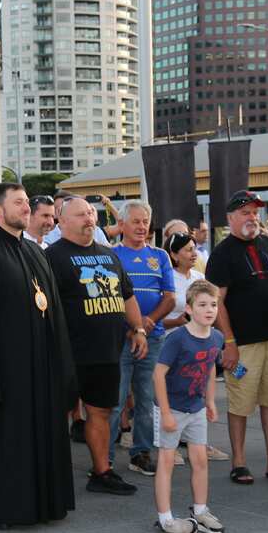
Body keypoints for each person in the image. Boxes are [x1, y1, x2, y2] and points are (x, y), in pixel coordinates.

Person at [0, 183, 75, 528]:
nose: (25, 208)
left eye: (26, 203)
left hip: (40, 366)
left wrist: (60, 364)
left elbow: (54, 311)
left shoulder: (36, 253)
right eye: (18, 203)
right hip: (3, 370)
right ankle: (2, 508)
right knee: (6, 440)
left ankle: (43, 504)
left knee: (39, 437)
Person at [45, 196, 142, 496]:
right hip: (68, 353)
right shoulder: (52, 257)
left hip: (105, 351)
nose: (89, 218)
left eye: (90, 212)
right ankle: (49, 473)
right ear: (62, 221)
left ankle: (102, 472)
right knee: (56, 413)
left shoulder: (109, 255)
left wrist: (137, 328)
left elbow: (126, 295)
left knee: (100, 411)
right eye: (80, 214)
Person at [205, 191, 268, 487]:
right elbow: (216, 302)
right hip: (242, 344)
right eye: (245, 213)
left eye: (255, 212)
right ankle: (239, 462)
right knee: (241, 404)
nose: (252, 218)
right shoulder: (222, 253)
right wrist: (228, 342)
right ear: (230, 218)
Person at [152, 279, 226, 533]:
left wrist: (209, 401)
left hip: (195, 409)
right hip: (171, 407)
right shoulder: (177, 339)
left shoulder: (217, 336)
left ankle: (200, 509)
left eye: (213, 305)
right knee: (167, 460)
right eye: (203, 305)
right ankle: (165, 517)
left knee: (200, 460)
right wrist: (165, 413)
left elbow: (211, 367)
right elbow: (159, 374)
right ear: (189, 310)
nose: (209, 310)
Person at [108, 201, 176, 476]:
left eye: (145, 221)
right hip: (121, 338)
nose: (141, 226)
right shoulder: (110, 255)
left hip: (154, 337)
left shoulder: (159, 256)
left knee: (148, 399)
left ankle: (141, 453)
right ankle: (106, 458)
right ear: (121, 224)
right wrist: (132, 328)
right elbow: (109, 298)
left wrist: (146, 325)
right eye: (135, 221)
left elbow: (170, 298)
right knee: (116, 399)